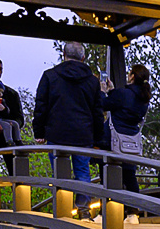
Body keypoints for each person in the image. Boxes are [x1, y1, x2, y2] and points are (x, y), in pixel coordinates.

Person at [32, 42, 109, 182]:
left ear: (64, 54)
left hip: (56, 134)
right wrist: (98, 138)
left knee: (59, 176)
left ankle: (62, 203)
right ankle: (83, 203)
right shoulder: (92, 81)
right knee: (83, 173)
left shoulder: (50, 76)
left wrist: (39, 132)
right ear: (83, 58)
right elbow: (97, 112)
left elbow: (41, 106)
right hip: (83, 135)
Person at [103, 63, 153, 190]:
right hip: (131, 142)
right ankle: (133, 208)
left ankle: (112, 206)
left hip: (114, 140)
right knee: (130, 176)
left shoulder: (123, 94)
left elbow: (104, 104)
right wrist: (113, 91)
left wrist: (103, 92)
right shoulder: (144, 100)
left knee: (110, 175)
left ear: (132, 77)